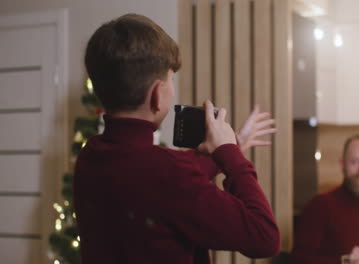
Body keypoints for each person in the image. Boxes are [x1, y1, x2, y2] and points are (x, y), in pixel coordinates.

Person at [73, 13, 280, 264]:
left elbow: (156, 181)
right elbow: (264, 237)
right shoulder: (170, 175)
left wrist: (233, 144)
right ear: (158, 95)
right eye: (171, 80)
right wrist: (232, 157)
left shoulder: (91, 154)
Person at [290, 134, 359, 264]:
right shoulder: (319, 206)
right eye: (354, 162)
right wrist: (344, 261)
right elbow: (297, 260)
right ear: (342, 165)